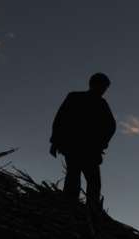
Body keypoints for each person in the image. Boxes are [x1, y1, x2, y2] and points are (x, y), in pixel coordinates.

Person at [49, 73, 116, 211]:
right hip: (77, 147)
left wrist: (101, 143)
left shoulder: (96, 102)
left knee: (87, 179)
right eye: (103, 87)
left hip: (84, 149)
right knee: (79, 178)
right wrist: (55, 142)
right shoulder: (78, 98)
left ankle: (88, 208)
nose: (104, 90)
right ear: (95, 85)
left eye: (105, 88)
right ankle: (73, 206)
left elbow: (111, 126)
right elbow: (60, 120)